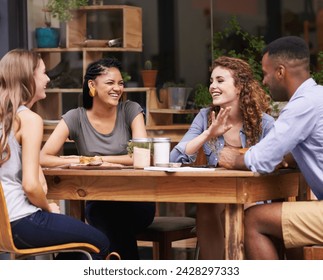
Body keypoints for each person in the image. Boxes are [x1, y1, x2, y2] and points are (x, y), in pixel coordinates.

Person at [218, 36, 323, 260]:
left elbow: (262, 159)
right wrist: (290, 157)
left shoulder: (301, 105)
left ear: (280, 72)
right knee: (282, 220)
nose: (264, 82)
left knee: (253, 219)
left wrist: (232, 159)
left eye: (265, 73)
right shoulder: (318, 96)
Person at [40, 57, 155, 260]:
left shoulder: (131, 110)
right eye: (110, 83)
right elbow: (44, 157)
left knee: (109, 217)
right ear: (92, 85)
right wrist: (82, 160)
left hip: (136, 199)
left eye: (120, 83)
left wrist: (101, 160)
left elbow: (142, 155)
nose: (117, 88)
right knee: (106, 215)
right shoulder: (75, 117)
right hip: (98, 200)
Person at [0, 49, 110, 260]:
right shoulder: (29, 120)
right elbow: (30, 185)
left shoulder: (5, 118)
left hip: (4, 225)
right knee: (100, 243)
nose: (48, 78)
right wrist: (48, 208)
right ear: (28, 78)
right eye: (43, 72)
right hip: (21, 221)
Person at [170, 56, 275, 259]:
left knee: (247, 212)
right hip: (218, 194)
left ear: (239, 87)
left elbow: (277, 160)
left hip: (252, 195)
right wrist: (209, 133)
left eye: (220, 80)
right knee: (206, 207)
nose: (212, 86)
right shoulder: (204, 116)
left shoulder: (264, 123)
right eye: (211, 81)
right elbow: (176, 156)